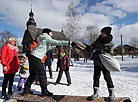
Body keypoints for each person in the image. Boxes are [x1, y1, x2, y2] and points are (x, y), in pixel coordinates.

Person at [23, 28, 72, 97]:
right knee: (42, 74)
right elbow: (56, 42)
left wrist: (55, 46)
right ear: (48, 33)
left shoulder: (43, 39)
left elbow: (47, 48)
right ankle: (44, 91)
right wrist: (68, 43)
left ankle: (26, 90)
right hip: (36, 58)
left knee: (33, 75)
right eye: (51, 33)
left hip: (32, 57)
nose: (52, 34)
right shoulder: (46, 38)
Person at [86, 26, 115, 101]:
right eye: (101, 32)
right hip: (97, 63)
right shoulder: (98, 40)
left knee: (107, 78)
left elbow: (111, 54)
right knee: (96, 77)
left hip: (105, 64)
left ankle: (112, 94)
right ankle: (95, 93)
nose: (101, 34)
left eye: (103, 33)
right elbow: (93, 46)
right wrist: (90, 47)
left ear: (107, 34)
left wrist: (103, 53)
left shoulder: (110, 43)